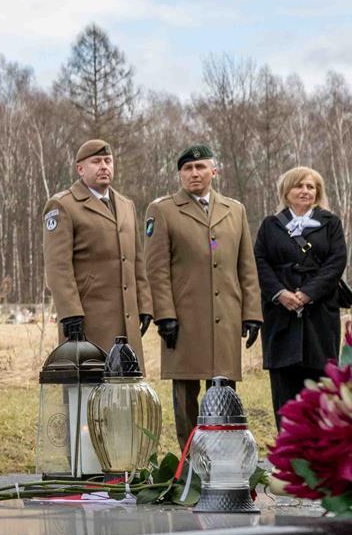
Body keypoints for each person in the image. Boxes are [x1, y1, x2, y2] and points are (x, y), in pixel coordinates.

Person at [145, 144, 261, 446]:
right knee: (185, 393)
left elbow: (246, 265)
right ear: (180, 174)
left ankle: (225, 460)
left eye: (200, 167)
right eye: (187, 169)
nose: (194, 173)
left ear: (214, 171)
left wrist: (251, 313)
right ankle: (190, 465)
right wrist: (165, 315)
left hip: (226, 316)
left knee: (225, 390)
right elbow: (156, 270)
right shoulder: (164, 210)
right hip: (185, 318)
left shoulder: (235, 210)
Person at [41, 139, 151, 360]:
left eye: (108, 161)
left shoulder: (125, 205)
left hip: (126, 322)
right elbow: (57, 266)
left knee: (124, 388)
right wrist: (70, 313)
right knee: (88, 388)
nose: (104, 166)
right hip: (88, 320)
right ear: (80, 169)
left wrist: (145, 304)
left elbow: (136, 260)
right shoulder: (64, 205)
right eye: (96, 161)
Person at [253, 165, 347, 418]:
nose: (305, 191)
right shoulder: (270, 226)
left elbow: (336, 262)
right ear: (286, 190)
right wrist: (280, 294)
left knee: (321, 384)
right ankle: (287, 450)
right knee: (284, 385)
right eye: (299, 185)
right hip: (280, 315)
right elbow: (260, 262)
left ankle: (319, 452)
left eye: (311, 186)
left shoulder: (331, 223)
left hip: (319, 314)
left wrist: (307, 294)